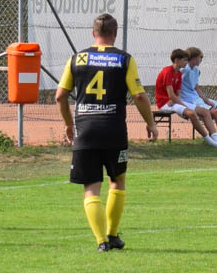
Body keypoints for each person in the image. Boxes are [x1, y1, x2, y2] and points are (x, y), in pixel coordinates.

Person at [55, 13, 157, 251]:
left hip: (85, 130)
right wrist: (151, 123)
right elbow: (139, 96)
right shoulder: (124, 59)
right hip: (114, 130)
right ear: (115, 33)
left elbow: (60, 96)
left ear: (93, 33)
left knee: (91, 187)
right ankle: (112, 234)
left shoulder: (76, 59)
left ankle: (101, 241)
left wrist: (69, 124)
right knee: (117, 180)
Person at [155, 48, 216, 143]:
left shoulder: (179, 73)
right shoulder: (167, 72)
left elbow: (178, 93)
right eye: (185, 60)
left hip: (174, 102)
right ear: (177, 60)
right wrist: (184, 106)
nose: (187, 62)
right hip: (165, 103)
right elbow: (171, 95)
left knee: (200, 112)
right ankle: (210, 141)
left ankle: (213, 139)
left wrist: (178, 101)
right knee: (192, 113)